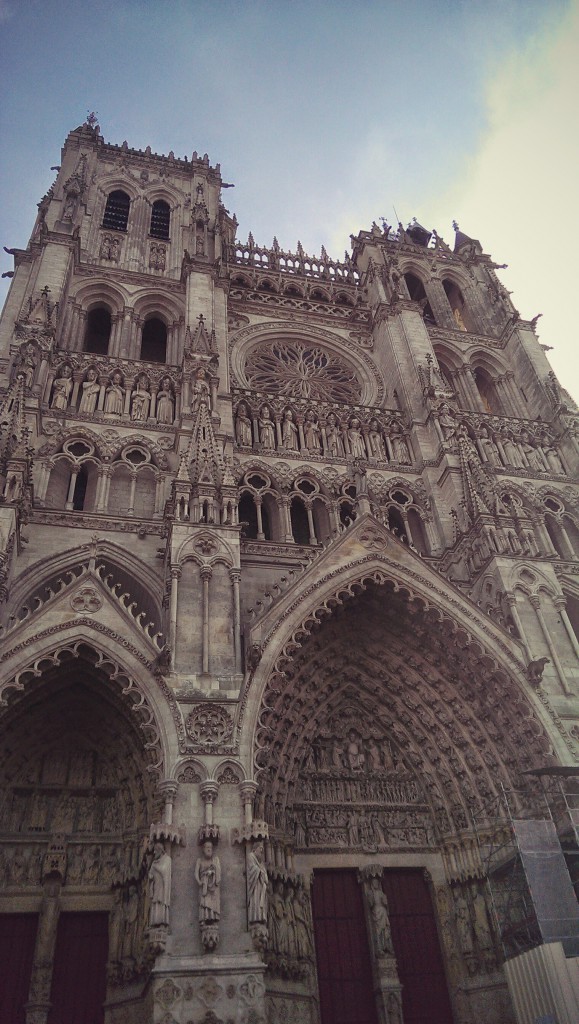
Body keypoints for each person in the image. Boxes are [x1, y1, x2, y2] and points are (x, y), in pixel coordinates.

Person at [195, 840, 221, 923]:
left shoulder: (215, 860)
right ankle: (204, 918)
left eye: (211, 847)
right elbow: (196, 873)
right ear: (203, 849)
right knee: (204, 902)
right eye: (207, 847)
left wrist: (214, 871)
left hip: (213, 884)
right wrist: (199, 882)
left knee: (213, 901)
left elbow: (218, 871)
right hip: (204, 885)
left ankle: (213, 918)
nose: (209, 849)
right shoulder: (200, 860)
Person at [148, 842, 172, 927]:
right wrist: (150, 876)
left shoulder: (167, 859)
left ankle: (162, 922)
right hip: (156, 886)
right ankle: (155, 922)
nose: (154, 853)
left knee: (161, 903)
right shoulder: (155, 862)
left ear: (160, 850)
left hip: (163, 887)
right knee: (155, 903)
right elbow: (150, 874)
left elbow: (164, 871)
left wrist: (155, 867)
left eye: (155, 850)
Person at [247, 841, 268, 924]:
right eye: (260, 848)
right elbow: (251, 869)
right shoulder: (250, 856)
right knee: (255, 900)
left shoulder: (260, 861)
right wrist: (260, 871)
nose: (262, 851)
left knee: (260, 901)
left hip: (260, 884)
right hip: (255, 885)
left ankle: (261, 917)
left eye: (262, 849)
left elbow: (263, 870)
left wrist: (263, 872)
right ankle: (255, 917)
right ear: (255, 849)